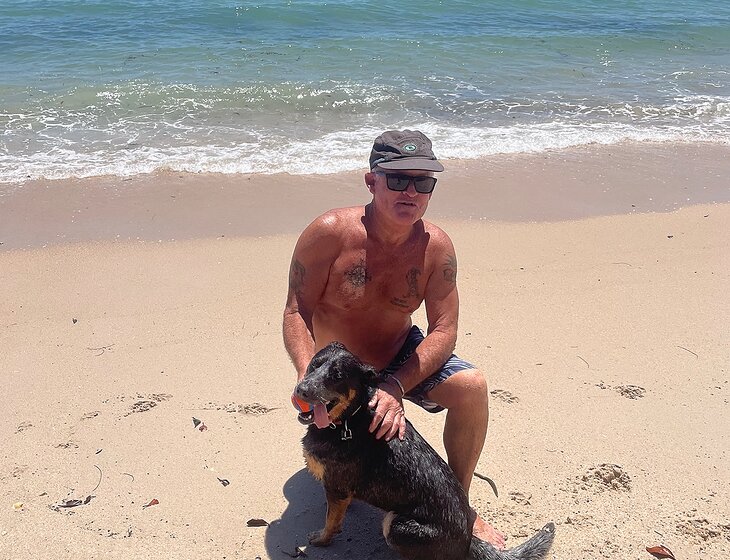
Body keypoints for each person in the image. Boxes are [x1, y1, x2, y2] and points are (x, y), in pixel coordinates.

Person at [283, 130, 505, 549]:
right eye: (399, 179)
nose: (411, 192)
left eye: (423, 182)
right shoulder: (329, 234)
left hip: (399, 355)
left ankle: (456, 508)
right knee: (342, 473)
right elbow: (297, 311)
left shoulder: (436, 247)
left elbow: (444, 329)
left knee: (472, 387)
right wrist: (306, 373)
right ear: (372, 181)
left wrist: (394, 385)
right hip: (340, 371)